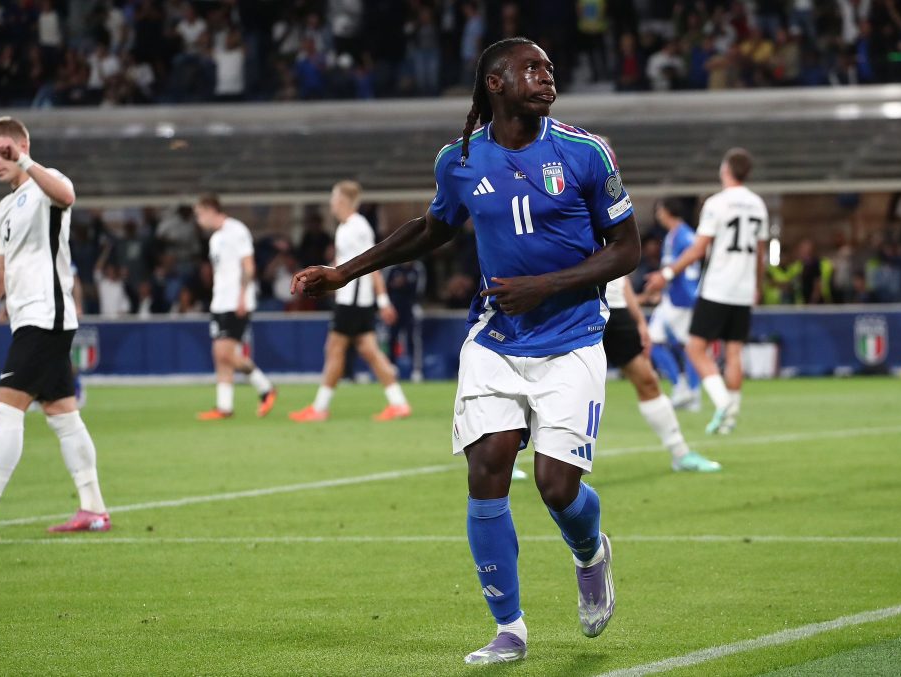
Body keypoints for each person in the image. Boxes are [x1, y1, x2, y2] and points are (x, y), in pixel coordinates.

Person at [291, 38, 638, 664]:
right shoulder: (460, 159)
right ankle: (510, 629)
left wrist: (546, 286)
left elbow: (627, 250)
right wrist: (345, 273)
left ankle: (591, 554)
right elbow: (432, 228)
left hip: (574, 336)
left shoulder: (586, 152)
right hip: (495, 340)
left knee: (557, 487)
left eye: (549, 67)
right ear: (497, 83)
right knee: (487, 473)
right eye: (531, 67)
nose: (546, 75)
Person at [0, 116, 110, 536]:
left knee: (5, 408)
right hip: (31, 317)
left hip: (44, 314)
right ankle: (94, 510)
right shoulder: (4, 208)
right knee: (64, 416)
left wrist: (27, 161)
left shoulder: (45, 184)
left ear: (21, 145)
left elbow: (67, 195)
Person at [646, 148, 768, 435]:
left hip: (718, 288)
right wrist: (757, 288)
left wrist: (666, 273)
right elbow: (761, 255)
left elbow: (699, 250)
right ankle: (730, 419)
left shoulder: (717, 203)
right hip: (744, 289)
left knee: (695, 347)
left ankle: (722, 402)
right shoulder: (758, 205)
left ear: (725, 170)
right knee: (734, 351)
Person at [289, 181, 410, 422]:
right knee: (370, 351)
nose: (331, 203)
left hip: (353, 300)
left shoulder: (357, 227)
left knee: (334, 349)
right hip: (355, 299)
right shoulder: (348, 227)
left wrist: (383, 300)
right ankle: (398, 403)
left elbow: (372, 264)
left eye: (333, 197)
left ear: (342, 200)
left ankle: (320, 408)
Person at [604, 276, 721, 472]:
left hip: (616, 309)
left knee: (647, 381)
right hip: (580, 306)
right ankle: (559, 462)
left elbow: (620, 272)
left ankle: (680, 454)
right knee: (575, 390)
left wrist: (639, 320)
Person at [194, 193, 277, 420]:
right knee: (220, 354)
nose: (199, 220)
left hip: (235, 301)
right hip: (220, 302)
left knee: (226, 353)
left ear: (211, 210)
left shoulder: (236, 230)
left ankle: (266, 388)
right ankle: (224, 407)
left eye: (200, 215)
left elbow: (248, 266)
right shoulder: (215, 238)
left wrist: (242, 297)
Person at [649, 199, 701, 411]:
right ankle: (687, 390)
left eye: (660, 209)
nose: (658, 214)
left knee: (686, 346)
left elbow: (685, 267)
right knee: (683, 345)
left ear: (668, 211)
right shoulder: (674, 235)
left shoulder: (684, 236)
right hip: (673, 297)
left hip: (682, 299)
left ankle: (687, 390)